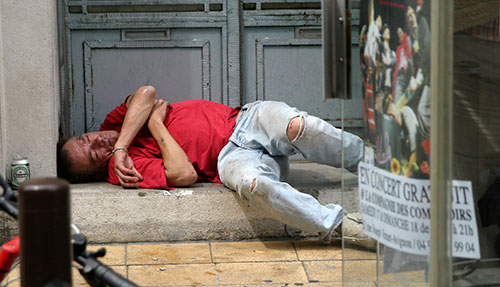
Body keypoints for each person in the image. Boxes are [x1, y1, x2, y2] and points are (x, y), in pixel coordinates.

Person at [58, 85, 376, 250]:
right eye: (91, 153)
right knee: (255, 186)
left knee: (297, 127)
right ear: (96, 173)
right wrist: (155, 123)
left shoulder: (117, 126)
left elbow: (146, 92)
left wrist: (121, 144)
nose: (96, 141)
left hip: (247, 120)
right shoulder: (121, 170)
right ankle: (340, 227)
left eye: (86, 138)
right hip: (231, 158)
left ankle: (376, 164)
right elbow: (184, 174)